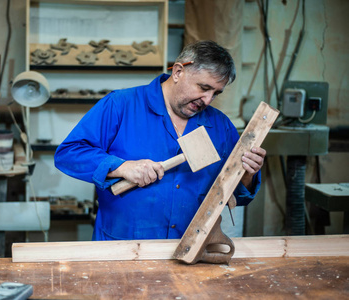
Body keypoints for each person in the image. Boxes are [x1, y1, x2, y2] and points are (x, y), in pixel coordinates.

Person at [54, 40, 266, 241]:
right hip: (121, 247)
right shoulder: (121, 105)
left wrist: (247, 174)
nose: (207, 100)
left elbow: (236, 196)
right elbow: (69, 153)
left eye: (215, 93)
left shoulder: (220, 126)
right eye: (203, 88)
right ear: (178, 72)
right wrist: (121, 167)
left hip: (189, 248)